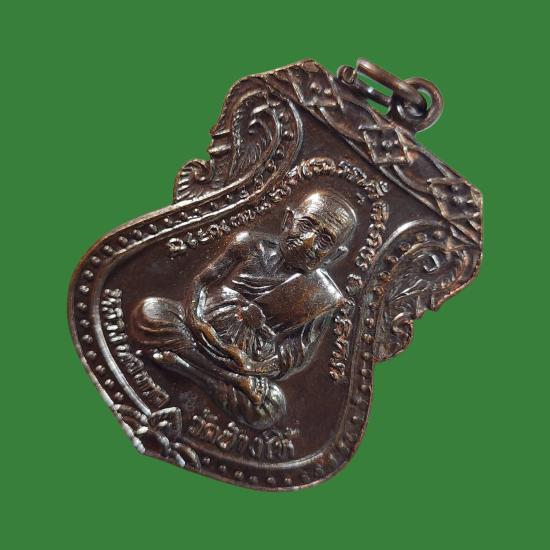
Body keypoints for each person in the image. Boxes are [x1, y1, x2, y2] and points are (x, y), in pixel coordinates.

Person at [130, 190, 356, 429]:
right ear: (288, 220)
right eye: (306, 225)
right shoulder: (249, 244)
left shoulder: (322, 296)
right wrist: (196, 320)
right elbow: (202, 281)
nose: (308, 241)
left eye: (325, 241)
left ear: (335, 256)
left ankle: (191, 368)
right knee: (149, 312)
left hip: (245, 360)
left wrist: (252, 367)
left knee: (269, 408)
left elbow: (293, 356)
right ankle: (221, 376)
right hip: (199, 331)